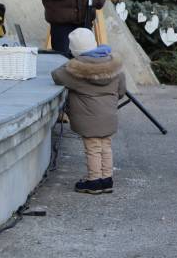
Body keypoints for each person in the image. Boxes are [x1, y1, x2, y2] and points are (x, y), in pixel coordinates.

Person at [51, 28, 125, 194]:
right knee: (106, 145)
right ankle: (107, 179)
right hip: (109, 116)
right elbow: (121, 90)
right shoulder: (114, 65)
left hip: (88, 119)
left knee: (92, 148)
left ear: (75, 51)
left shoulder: (76, 71)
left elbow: (56, 75)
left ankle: (93, 181)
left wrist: (72, 61)